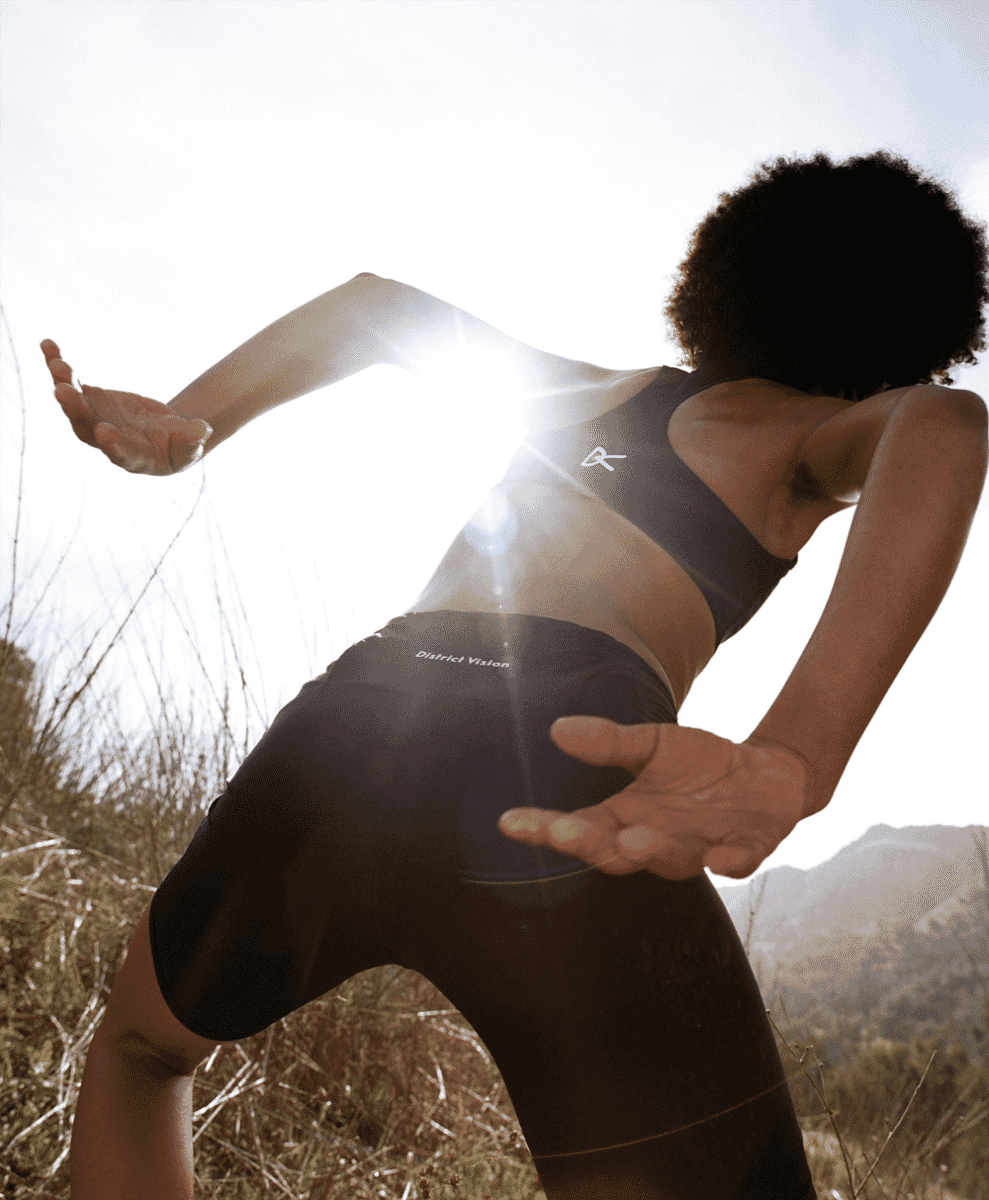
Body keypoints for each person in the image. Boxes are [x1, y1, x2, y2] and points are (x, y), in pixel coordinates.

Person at [45, 149, 987, 1200]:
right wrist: (794, 755)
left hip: (356, 720)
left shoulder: (576, 390)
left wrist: (191, 421)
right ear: (907, 340)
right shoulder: (806, 439)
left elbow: (371, 306)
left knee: (141, 1050)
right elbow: (944, 424)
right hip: (561, 755)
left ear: (722, 273)